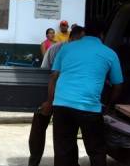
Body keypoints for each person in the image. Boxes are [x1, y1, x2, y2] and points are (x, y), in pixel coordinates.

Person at [41, 24, 123, 166]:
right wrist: (109, 106)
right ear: (102, 36)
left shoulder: (66, 48)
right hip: (89, 108)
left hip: (62, 105)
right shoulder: (109, 53)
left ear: (83, 34)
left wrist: (49, 102)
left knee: (63, 150)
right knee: (96, 150)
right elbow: (118, 84)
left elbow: (54, 76)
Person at [28, 26, 85, 166]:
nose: (79, 43)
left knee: (66, 134)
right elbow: (45, 75)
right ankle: (34, 161)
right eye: (78, 39)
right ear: (71, 38)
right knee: (38, 129)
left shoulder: (83, 52)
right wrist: (48, 101)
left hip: (68, 99)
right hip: (50, 94)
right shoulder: (55, 49)